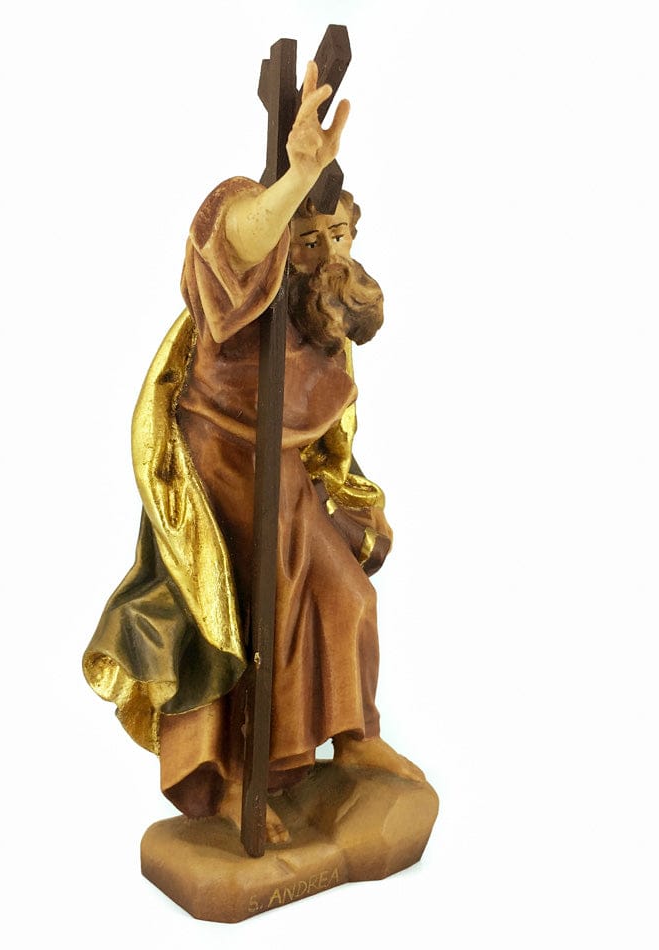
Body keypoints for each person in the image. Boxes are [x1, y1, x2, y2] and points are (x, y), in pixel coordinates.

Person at [84, 62, 423, 843]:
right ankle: (244, 780)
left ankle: (357, 738)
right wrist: (294, 179)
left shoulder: (322, 314)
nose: (326, 251)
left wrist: (353, 497)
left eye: (338, 235)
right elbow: (233, 245)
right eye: (309, 239)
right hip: (218, 464)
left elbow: (330, 430)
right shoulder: (249, 251)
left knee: (347, 594)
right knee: (260, 615)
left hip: (285, 475)